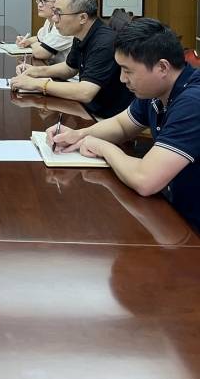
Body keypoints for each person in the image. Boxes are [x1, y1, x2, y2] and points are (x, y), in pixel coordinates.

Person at [46, 18, 200, 231]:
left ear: (162, 67)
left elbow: (146, 180)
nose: (122, 79)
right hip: (178, 210)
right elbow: (122, 125)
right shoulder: (157, 89)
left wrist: (101, 147)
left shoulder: (193, 102)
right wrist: (78, 135)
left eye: (128, 71)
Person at [10, 0, 133, 119]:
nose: (54, 18)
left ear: (82, 18)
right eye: (54, 12)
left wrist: (36, 84)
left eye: (59, 13)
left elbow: (85, 93)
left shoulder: (104, 43)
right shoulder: (81, 34)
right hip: (87, 107)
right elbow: (70, 68)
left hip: (104, 116)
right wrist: (36, 71)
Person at [15, 0, 73, 64]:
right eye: (39, 0)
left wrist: (36, 45)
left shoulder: (65, 25)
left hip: (68, 71)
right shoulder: (49, 20)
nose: (39, 5)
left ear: (59, 2)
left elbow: (40, 53)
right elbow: (39, 38)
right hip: (52, 67)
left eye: (45, 1)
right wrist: (26, 41)